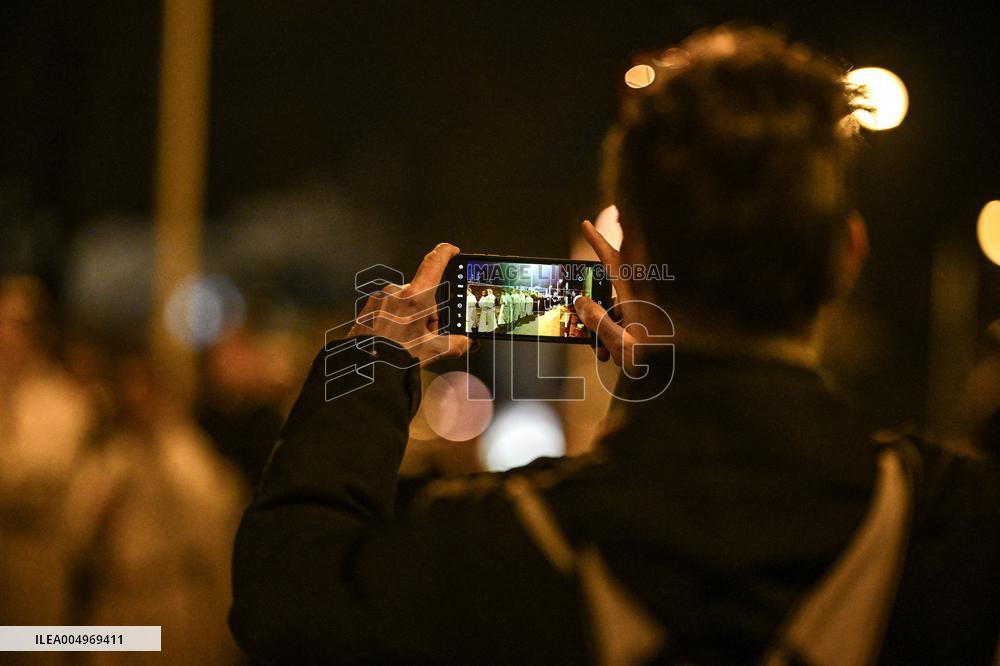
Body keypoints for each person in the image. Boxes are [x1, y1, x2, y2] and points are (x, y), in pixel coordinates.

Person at [230, 26, 1000, 664]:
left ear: (624, 266)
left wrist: (373, 355)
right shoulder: (951, 520)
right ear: (848, 257)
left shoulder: (511, 540)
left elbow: (286, 595)